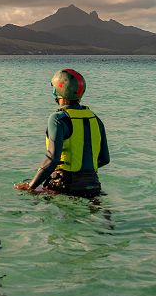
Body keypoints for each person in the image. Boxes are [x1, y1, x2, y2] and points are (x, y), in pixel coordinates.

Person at [17, 68, 109, 198]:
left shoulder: (58, 119)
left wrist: (30, 186)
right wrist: (83, 172)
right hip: (93, 186)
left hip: (65, 187)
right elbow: (105, 159)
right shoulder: (95, 119)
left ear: (56, 91)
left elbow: (52, 160)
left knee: (25, 191)